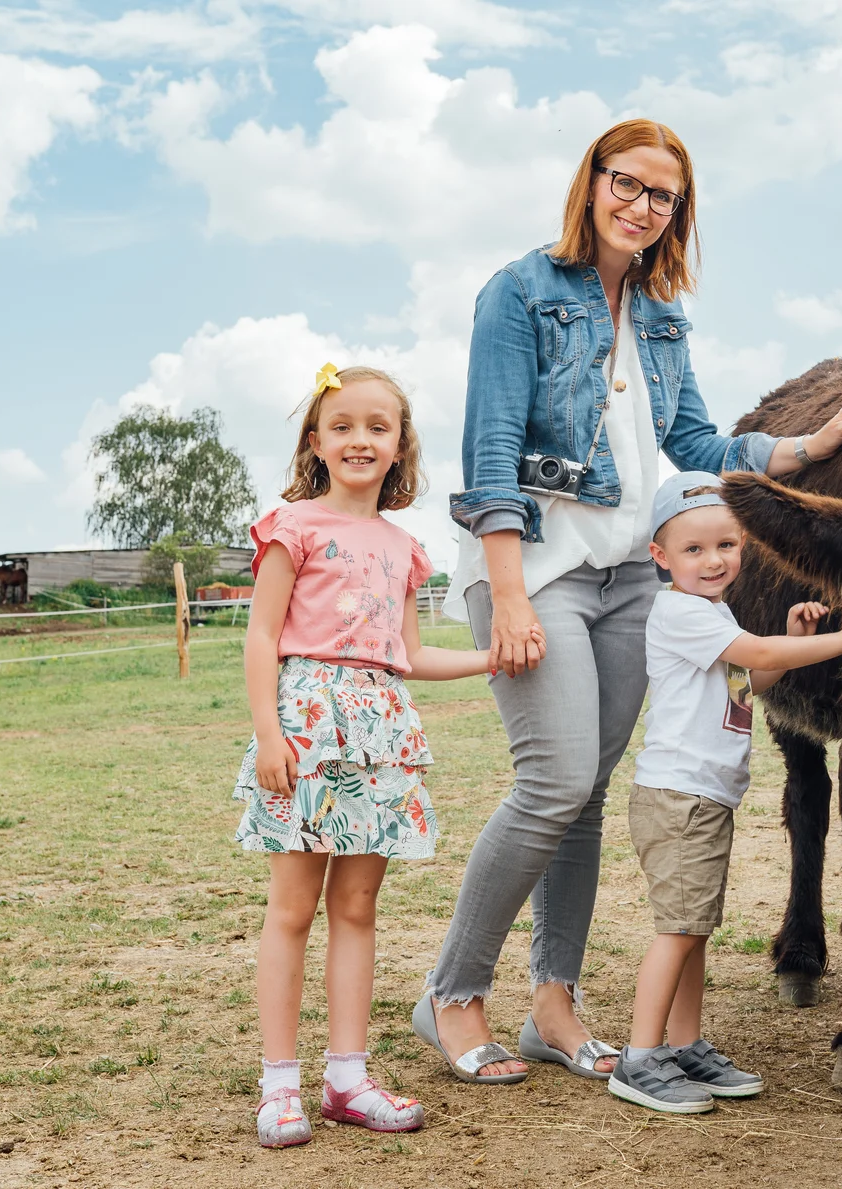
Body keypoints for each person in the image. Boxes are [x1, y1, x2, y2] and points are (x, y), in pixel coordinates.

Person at [418, 116, 842, 1085]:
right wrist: (506, 590)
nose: (640, 205)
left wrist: (808, 448)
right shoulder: (520, 293)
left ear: (678, 211)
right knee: (551, 783)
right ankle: (452, 993)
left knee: (586, 793)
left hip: (630, 573)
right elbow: (490, 448)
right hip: (537, 568)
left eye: (661, 195)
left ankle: (553, 1003)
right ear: (590, 181)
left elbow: (699, 444)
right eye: (624, 183)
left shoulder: (663, 316)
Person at [237, 364, 531, 1148]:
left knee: (358, 907)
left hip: (380, 730)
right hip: (306, 726)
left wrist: (490, 657)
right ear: (316, 442)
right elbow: (262, 635)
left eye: (377, 426)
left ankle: (347, 1078)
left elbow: (409, 655)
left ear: (401, 445)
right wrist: (269, 733)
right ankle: (279, 1085)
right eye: (342, 426)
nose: (360, 439)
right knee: (292, 908)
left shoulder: (404, 548)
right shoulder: (291, 526)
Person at [607, 473, 842, 1113]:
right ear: (661, 556)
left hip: (704, 798)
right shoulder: (681, 612)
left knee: (694, 929)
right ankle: (640, 1058)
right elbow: (756, 652)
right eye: (693, 549)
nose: (713, 560)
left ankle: (684, 1044)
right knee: (677, 930)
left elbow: (749, 680)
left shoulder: (713, 611)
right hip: (679, 799)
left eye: (725, 545)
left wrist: (795, 642)